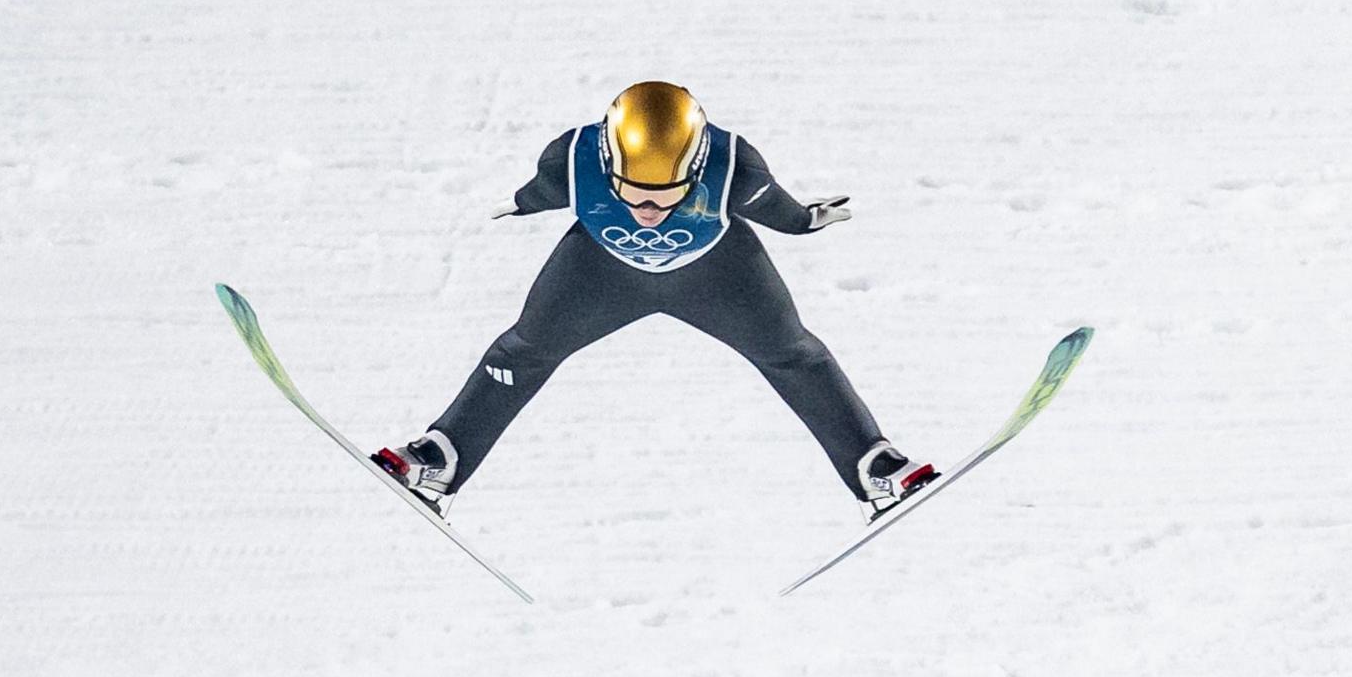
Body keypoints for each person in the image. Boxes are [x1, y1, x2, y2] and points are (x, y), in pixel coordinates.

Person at [372, 81, 933, 515]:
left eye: (667, 196)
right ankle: (439, 457)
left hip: (717, 272)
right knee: (522, 350)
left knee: (794, 354)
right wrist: (516, 204)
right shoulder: (574, 156)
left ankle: (872, 465)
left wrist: (810, 221)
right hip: (598, 272)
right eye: (635, 195)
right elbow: (544, 190)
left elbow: (779, 212)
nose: (648, 210)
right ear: (610, 163)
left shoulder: (735, 164)